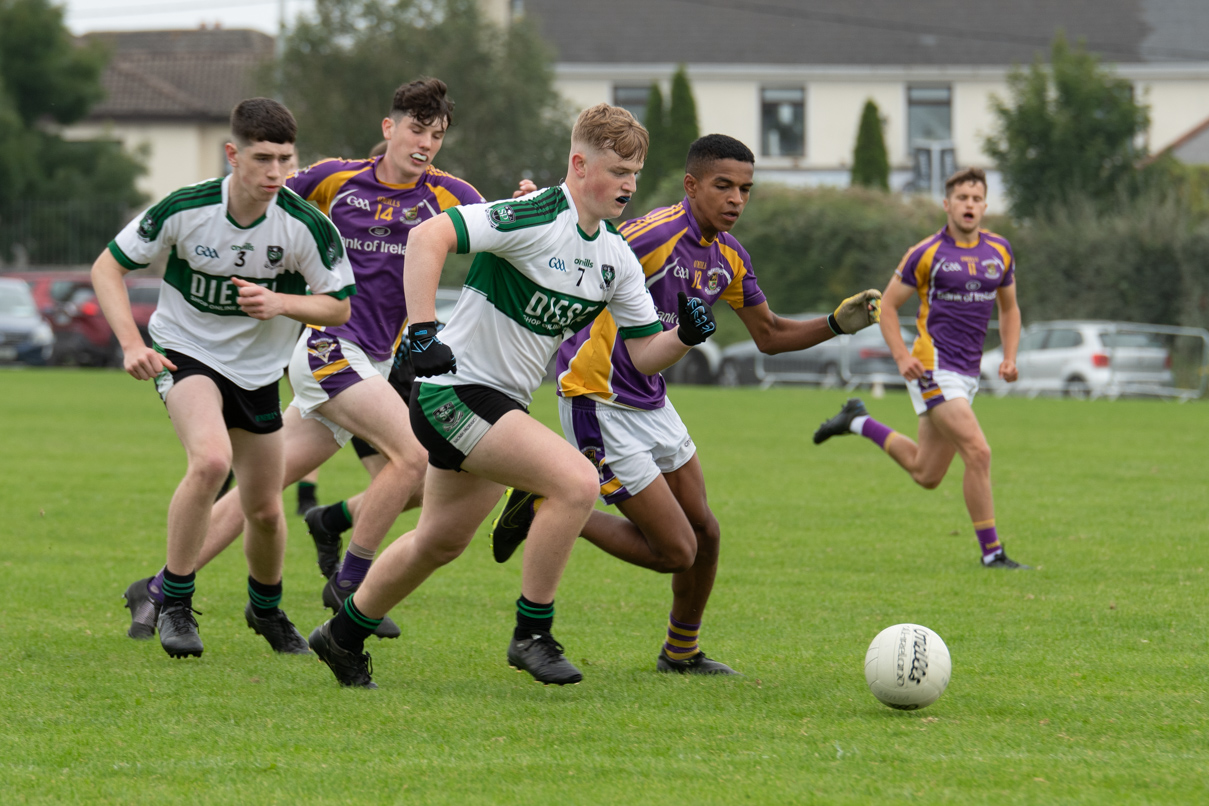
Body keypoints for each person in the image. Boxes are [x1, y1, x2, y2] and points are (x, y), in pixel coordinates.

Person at [307, 103, 720, 689]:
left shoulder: (616, 258)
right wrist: (423, 330)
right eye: (618, 171)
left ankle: (341, 636)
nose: (630, 184)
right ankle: (533, 633)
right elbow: (428, 237)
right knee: (576, 481)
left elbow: (644, 352)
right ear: (579, 164)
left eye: (636, 172)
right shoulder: (533, 214)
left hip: (498, 405)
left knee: (440, 540)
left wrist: (685, 335)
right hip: (452, 390)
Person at [488, 134, 882, 675]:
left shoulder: (728, 256)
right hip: (597, 399)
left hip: (652, 399)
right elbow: (583, 251)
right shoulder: (651, 234)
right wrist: (536, 212)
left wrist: (835, 324)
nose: (736, 199)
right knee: (676, 550)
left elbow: (767, 335)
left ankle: (681, 653)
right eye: (724, 186)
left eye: (745, 189)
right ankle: (543, 506)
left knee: (708, 534)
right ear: (691, 185)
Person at [120, 78, 485, 644]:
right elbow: (267, 190)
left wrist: (528, 199)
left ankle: (161, 588)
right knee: (412, 458)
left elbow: (502, 233)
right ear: (388, 128)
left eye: (436, 135)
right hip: (326, 349)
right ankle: (350, 582)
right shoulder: (334, 179)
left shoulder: (452, 196)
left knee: (260, 497)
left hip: (374, 364)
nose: (425, 144)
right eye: (416, 129)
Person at [96, 97, 355, 658]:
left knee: (263, 508)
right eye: (263, 158)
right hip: (184, 354)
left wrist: (281, 302)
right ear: (232, 154)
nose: (276, 173)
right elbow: (107, 267)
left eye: (286, 159)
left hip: (258, 373)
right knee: (211, 461)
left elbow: (337, 307)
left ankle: (265, 610)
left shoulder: (305, 224)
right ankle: (177, 603)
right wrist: (131, 344)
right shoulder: (186, 208)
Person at [813, 167, 1028, 569]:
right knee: (978, 452)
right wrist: (901, 357)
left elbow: (1010, 307)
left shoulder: (999, 250)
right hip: (933, 366)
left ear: (985, 206)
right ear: (947, 205)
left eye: (976, 198)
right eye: (961, 198)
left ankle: (857, 420)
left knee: (926, 473)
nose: (969, 204)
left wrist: (1011, 355)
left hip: (966, 374)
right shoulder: (926, 252)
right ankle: (993, 553)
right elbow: (888, 306)